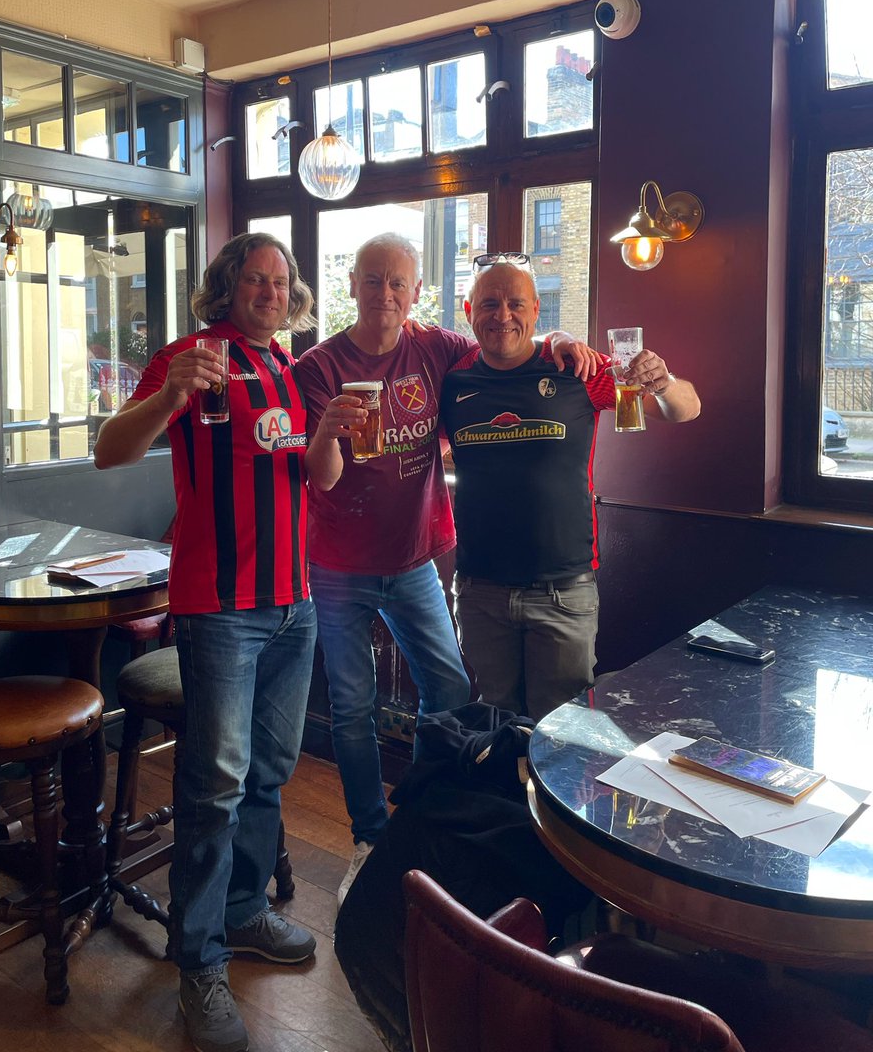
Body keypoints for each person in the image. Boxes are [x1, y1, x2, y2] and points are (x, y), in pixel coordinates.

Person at [295, 233, 599, 905]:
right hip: (338, 567)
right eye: (374, 281)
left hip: (414, 560)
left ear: (416, 294)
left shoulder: (435, 347)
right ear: (352, 284)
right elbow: (318, 478)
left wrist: (560, 340)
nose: (386, 295)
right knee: (351, 709)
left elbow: (507, 341)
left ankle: (429, 817)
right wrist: (328, 434)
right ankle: (371, 837)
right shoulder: (317, 364)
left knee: (455, 691)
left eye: (398, 284)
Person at [94, 232, 319, 1052]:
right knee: (214, 787)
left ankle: (245, 910)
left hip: (297, 602)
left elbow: (298, 471)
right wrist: (165, 397)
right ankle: (198, 962)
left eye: (279, 280)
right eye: (253, 279)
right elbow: (108, 451)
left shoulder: (287, 368)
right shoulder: (188, 358)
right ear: (226, 287)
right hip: (221, 609)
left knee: (269, 773)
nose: (267, 290)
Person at [441, 253, 701, 722]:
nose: (503, 316)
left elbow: (686, 409)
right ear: (468, 310)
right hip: (480, 589)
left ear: (537, 309)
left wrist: (663, 383)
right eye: (489, 303)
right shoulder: (453, 379)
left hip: (562, 590)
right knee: (496, 727)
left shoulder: (576, 368)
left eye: (516, 303)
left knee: (562, 734)